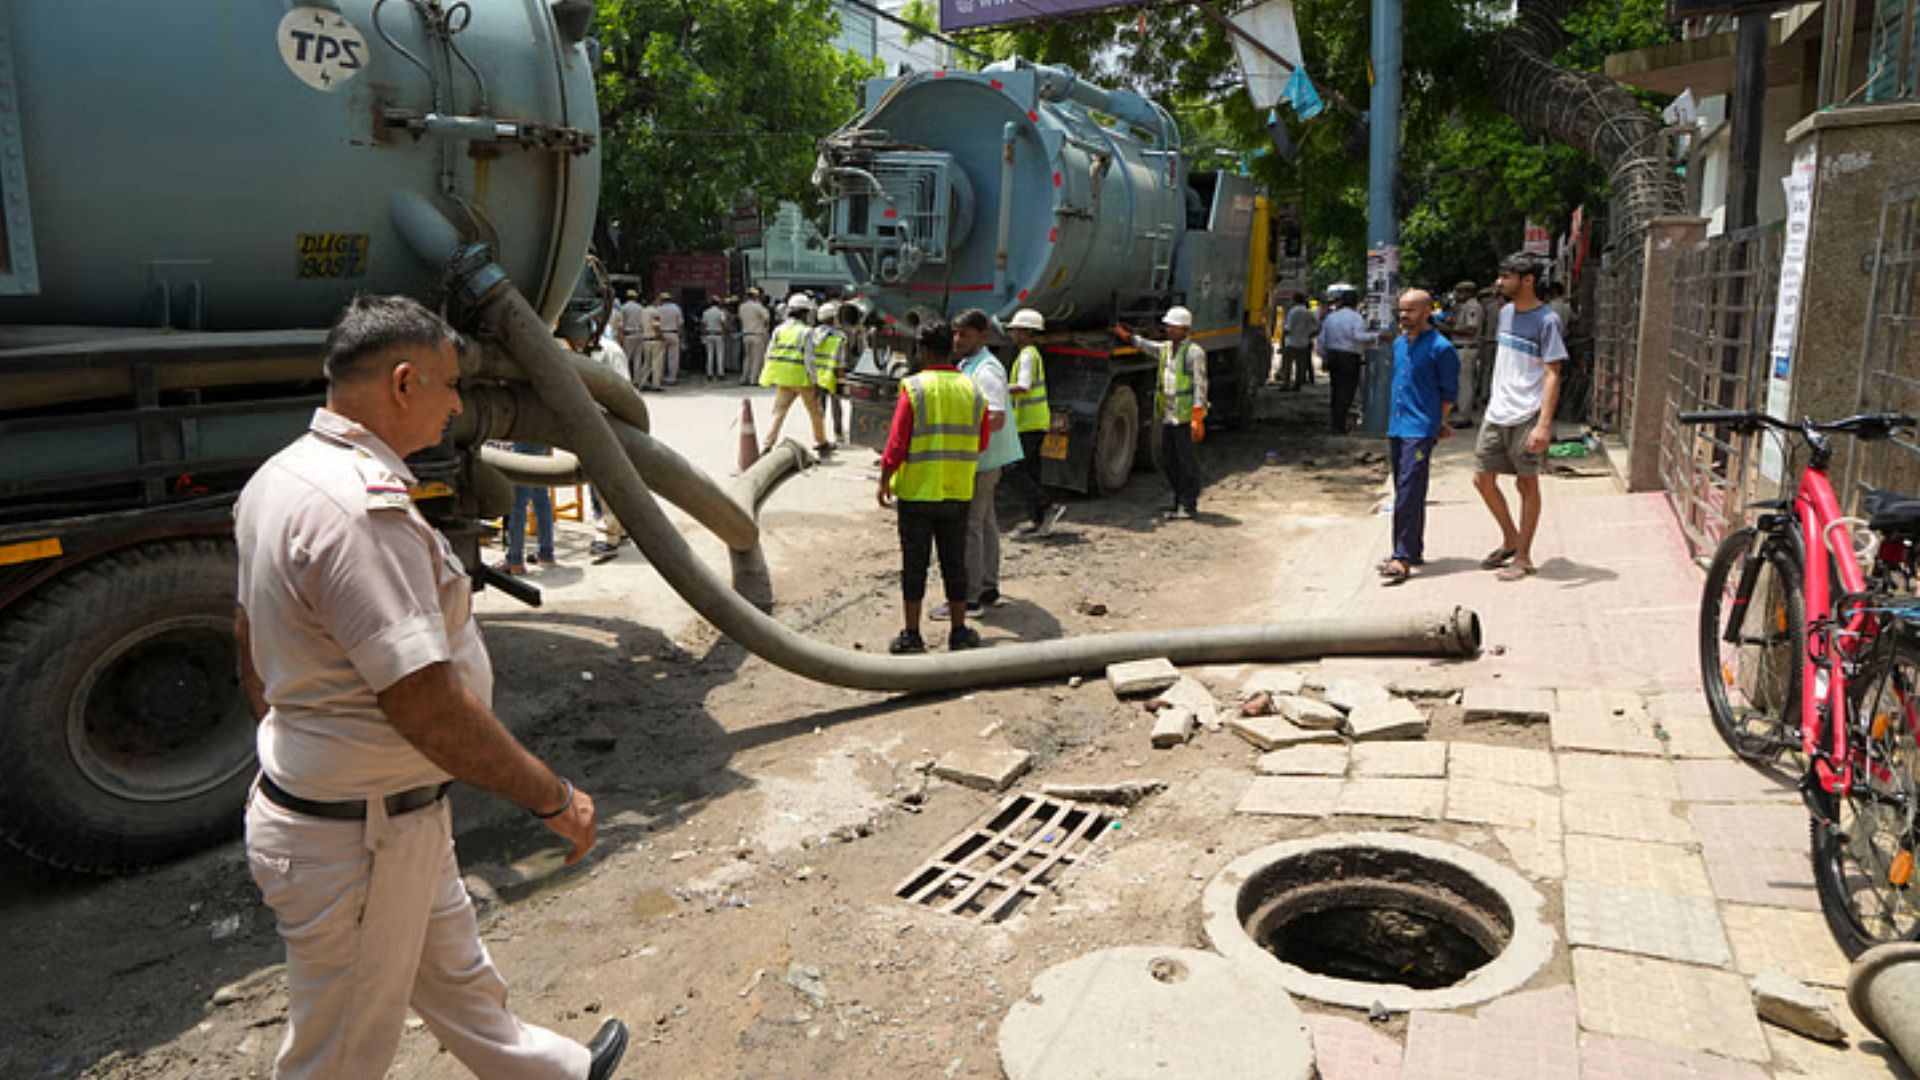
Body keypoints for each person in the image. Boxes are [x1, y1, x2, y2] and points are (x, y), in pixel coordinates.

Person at [233, 295, 627, 1080]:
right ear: (404, 382)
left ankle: (555, 1074)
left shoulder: (284, 476)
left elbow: (248, 636)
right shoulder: (359, 515)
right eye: (450, 386)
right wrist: (552, 796)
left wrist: (308, 736)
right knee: (340, 1054)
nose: (457, 405)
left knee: (457, 978)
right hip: (360, 836)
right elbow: (425, 705)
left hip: (378, 815)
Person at [877, 320, 991, 654]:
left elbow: (897, 443)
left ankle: (912, 635)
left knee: (914, 564)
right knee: (954, 562)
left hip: (916, 493)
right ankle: (959, 632)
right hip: (957, 490)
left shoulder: (914, 387)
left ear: (924, 350)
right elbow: (982, 441)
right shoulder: (973, 389)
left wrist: (884, 479)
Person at [1475, 251, 1568, 581]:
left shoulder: (1548, 321)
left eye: (1507, 276)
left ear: (1528, 280)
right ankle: (1510, 538)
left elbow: (1553, 373)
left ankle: (1525, 556)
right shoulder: (1506, 313)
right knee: (1482, 479)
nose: (1500, 282)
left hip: (1527, 413)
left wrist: (1543, 424)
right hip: (1498, 412)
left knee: (1526, 483)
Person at [1378, 289, 1459, 585]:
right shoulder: (1400, 344)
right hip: (1398, 427)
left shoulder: (1441, 348)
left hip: (1420, 429)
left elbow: (1448, 393)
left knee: (1409, 488)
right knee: (1405, 490)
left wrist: (1439, 421)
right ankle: (1412, 550)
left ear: (1427, 311)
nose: (1404, 316)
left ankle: (1400, 556)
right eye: (1401, 310)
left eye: (1410, 310)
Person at [950, 308, 1022, 612]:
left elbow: (995, 417)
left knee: (971, 526)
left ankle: (970, 597)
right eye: (956, 333)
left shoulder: (987, 369)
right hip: (986, 458)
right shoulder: (972, 364)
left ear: (982, 335)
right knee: (987, 522)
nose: (957, 339)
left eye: (964, 334)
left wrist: (960, 437)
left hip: (983, 459)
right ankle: (989, 586)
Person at [1111, 306, 1208, 519]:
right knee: (1169, 460)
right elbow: (1147, 346)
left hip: (1185, 417)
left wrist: (1197, 418)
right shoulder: (1165, 349)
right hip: (1169, 415)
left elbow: (1200, 386)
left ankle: (1188, 504)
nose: (1169, 330)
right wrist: (1127, 337)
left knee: (1186, 462)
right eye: (1168, 326)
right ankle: (1177, 501)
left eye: (1173, 327)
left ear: (1184, 329)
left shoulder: (1194, 353)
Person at [1005, 308, 1067, 537]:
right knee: (1030, 470)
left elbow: (1023, 386)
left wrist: (996, 387)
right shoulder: (1029, 354)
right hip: (1031, 422)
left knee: (1014, 470)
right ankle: (1039, 520)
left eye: (1016, 330)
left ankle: (1047, 505)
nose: (1013, 334)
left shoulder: (1028, 356)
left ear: (1026, 332)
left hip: (1030, 424)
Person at [759, 293, 831, 453]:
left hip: (783, 378)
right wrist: (816, 381)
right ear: (804, 313)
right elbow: (809, 360)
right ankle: (821, 442)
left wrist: (771, 375)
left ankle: (767, 444)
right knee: (815, 412)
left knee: (778, 412)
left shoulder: (779, 330)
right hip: (802, 380)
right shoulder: (806, 332)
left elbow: (769, 353)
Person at [1317, 287, 1375, 433]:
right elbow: (1358, 336)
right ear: (1356, 302)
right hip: (1349, 357)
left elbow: (1322, 339)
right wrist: (1377, 336)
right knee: (1347, 391)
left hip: (1333, 356)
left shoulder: (1331, 317)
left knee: (1336, 389)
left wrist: (1324, 356)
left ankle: (1336, 421)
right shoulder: (1356, 318)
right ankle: (1339, 424)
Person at [497, 443, 557, 575]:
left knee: (518, 503)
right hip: (544, 438)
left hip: (526, 439)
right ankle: (546, 554)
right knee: (541, 496)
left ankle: (514, 560)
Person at [1441, 280, 1484, 427]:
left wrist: (1450, 330)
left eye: (1460, 292)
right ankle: (1461, 413)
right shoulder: (1462, 307)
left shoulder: (1472, 307)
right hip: (1459, 346)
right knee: (1460, 383)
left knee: (1465, 383)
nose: (1458, 295)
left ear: (1469, 292)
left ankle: (1464, 416)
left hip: (1466, 347)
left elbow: (1471, 329)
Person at [810, 300, 849, 444]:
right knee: (836, 407)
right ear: (832, 318)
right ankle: (838, 434)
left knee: (820, 407)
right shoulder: (839, 336)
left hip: (817, 377)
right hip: (832, 377)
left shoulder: (812, 335)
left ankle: (820, 435)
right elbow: (841, 361)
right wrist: (842, 379)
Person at [1278, 291, 1318, 390]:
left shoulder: (1293, 312)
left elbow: (1288, 328)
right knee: (1300, 365)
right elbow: (1316, 327)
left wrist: (1282, 340)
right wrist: (1308, 335)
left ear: (1294, 300)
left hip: (1291, 342)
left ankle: (1286, 384)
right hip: (1304, 342)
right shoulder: (1309, 312)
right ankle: (1297, 384)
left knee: (1288, 365)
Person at [738, 288, 771, 386]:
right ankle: (754, 379)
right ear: (756, 296)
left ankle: (744, 378)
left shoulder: (742, 307)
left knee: (747, 357)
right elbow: (766, 319)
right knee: (757, 358)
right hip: (757, 334)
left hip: (746, 334)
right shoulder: (758, 306)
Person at [634, 293, 665, 391]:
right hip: (655, 339)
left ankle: (643, 382)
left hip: (645, 339)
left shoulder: (643, 311)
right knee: (657, 363)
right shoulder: (655, 312)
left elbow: (640, 325)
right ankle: (656, 384)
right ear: (654, 301)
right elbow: (656, 326)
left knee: (646, 362)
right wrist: (661, 337)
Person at [616, 289, 645, 386]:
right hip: (639, 334)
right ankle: (637, 380)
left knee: (626, 358)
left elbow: (621, 323)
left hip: (628, 334)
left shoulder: (623, 308)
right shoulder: (640, 308)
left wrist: (621, 337)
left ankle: (626, 379)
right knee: (638, 359)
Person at [655, 291, 684, 386]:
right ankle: (672, 378)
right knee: (673, 357)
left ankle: (660, 377)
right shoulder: (676, 309)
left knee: (661, 357)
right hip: (673, 333)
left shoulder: (658, 309)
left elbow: (656, 324)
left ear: (662, 300)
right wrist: (680, 335)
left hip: (662, 334)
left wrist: (659, 334)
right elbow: (680, 324)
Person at [701, 298, 728, 381]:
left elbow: (703, 324)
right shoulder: (721, 312)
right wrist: (724, 334)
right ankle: (720, 373)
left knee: (709, 354)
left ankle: (709, 373)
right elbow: (723, 324)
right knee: (720, 354)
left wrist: (703, 335)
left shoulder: (706, 313)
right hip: (718, 334)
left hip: (709, 334)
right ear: (718, 303)